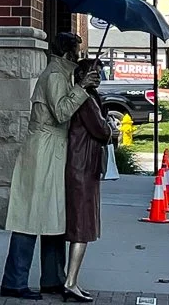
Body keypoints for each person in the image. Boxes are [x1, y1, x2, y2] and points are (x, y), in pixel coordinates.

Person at [1, 32, 99, 300]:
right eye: (77, 50)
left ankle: (53, 278)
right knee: (31, 216)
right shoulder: (55, 75)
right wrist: (82, 88)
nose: (79, 55)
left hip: (52, 149)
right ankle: (15, 280)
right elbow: (62, 112)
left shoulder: (61, 73)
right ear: (68, 52)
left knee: (54, 216)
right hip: (44, 149)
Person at [62, 59, 114, 302]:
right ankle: (70, 282)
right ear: (82, 76)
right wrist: (110, 129)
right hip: (82, 168)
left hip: (82, 166)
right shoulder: (85, 100)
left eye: (100, 72)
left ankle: (71, 279)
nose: (99, 76)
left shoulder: (88, 98)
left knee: (81, 226)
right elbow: (102, 131)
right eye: (94, 72)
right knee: (82, 227)